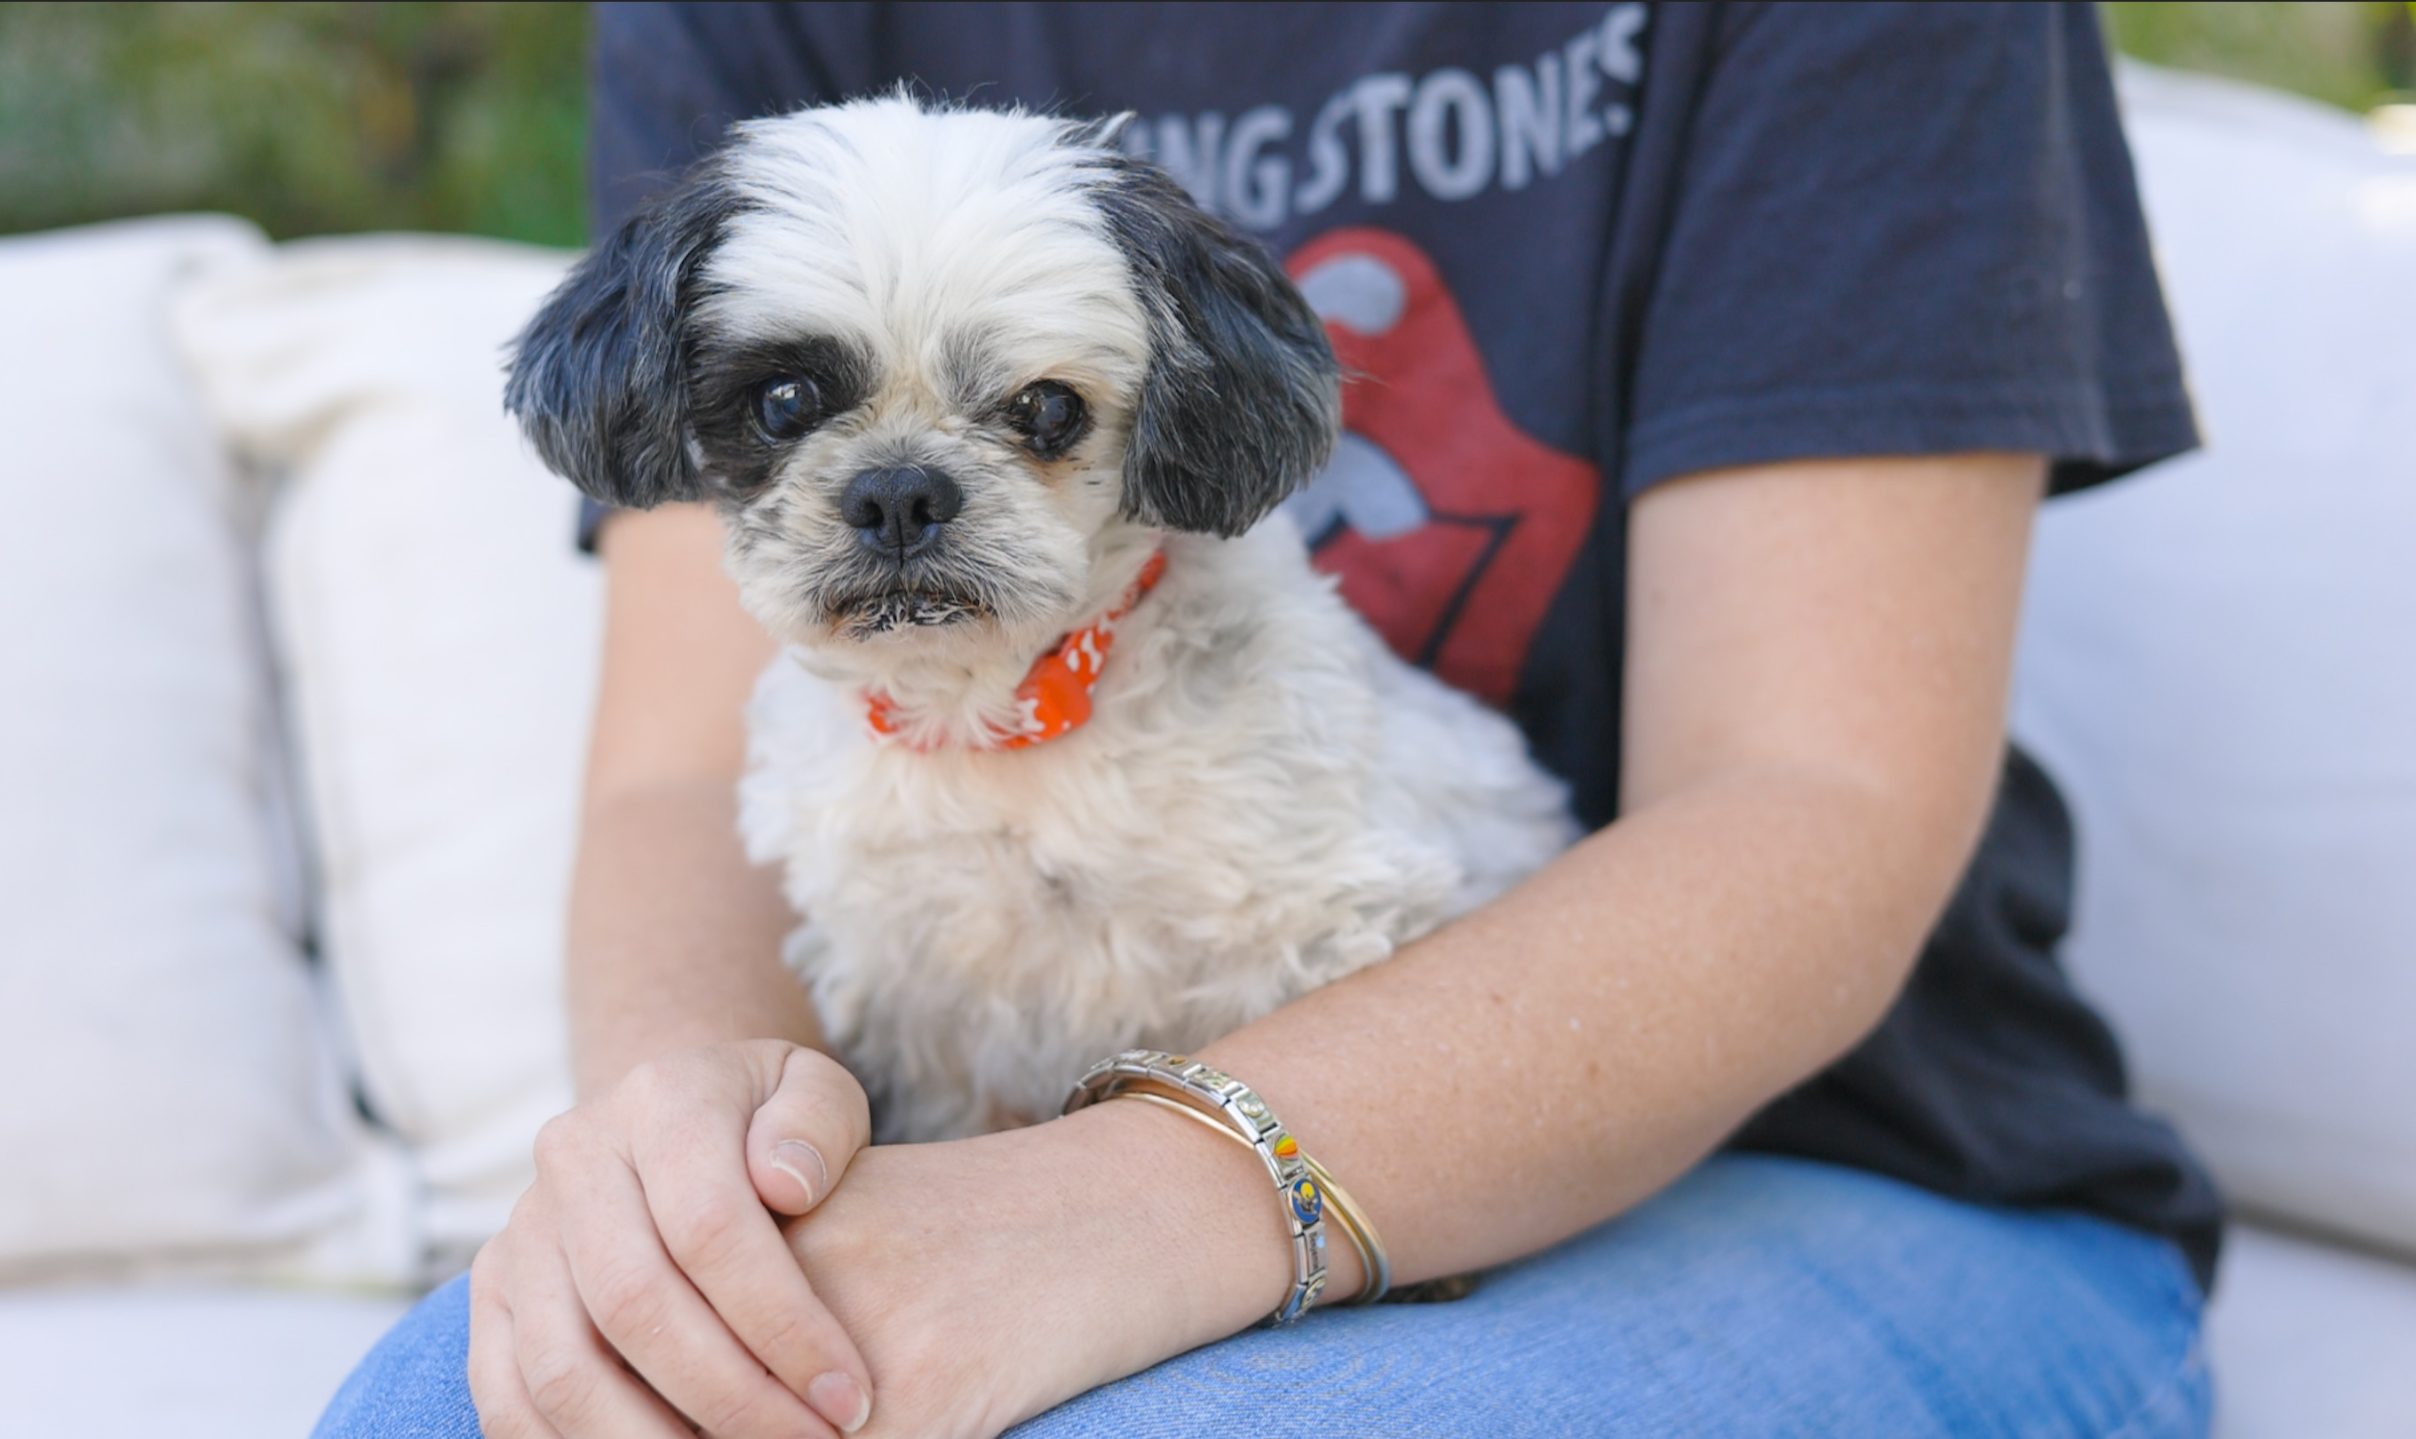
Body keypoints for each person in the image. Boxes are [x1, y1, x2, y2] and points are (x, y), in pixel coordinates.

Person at [317, 3, 2221, 1435]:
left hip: (1820, 1147)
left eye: (1037, 417)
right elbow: (679, 772)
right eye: (797, 414)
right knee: (455, 1407)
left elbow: (1814, 794)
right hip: (986, 1143)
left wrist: (1123, 1215)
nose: (900, 493)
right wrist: (702, 1194)